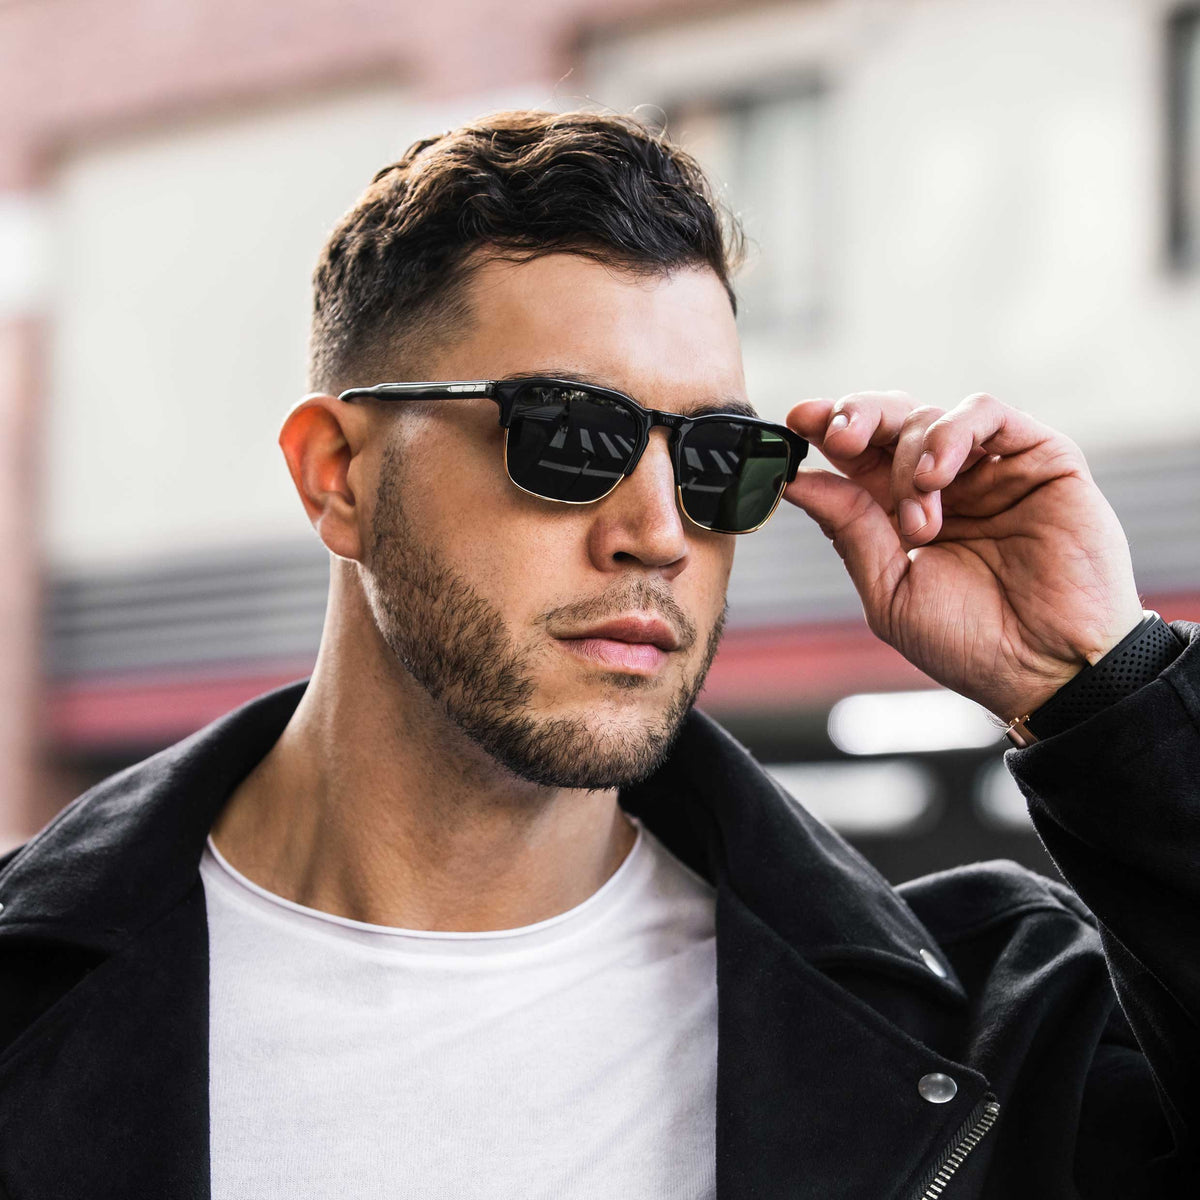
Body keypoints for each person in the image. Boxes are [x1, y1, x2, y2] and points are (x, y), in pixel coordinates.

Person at [0, 110, 1195, 1199]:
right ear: (340, 476)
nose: (660, 534)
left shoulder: (987, 1028)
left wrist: (1100, 685)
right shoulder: (29, 1001)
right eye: (572, 437)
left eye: (719, 456)